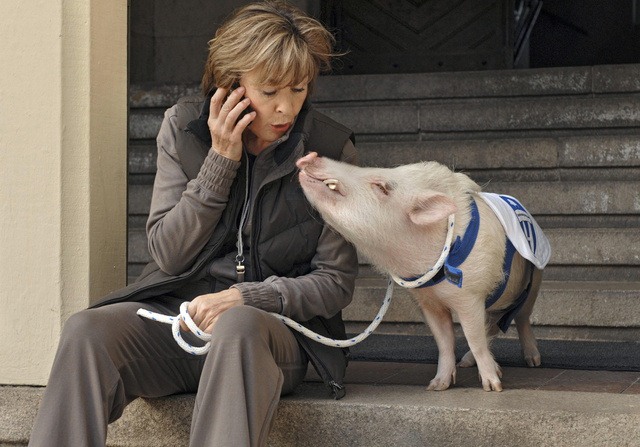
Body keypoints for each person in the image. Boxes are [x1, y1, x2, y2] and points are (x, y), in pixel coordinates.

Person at [29, 2, 358, 446]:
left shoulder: (329, 148)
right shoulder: (183, 129)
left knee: (240, 324)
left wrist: (248, 297)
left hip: (270, 339)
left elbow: (335, 282)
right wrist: (220, 162)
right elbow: (168, 253)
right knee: (87, 331)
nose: (286, 108)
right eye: (270, 91)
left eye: (298, 90)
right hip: (180, 326)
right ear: (232, 87)